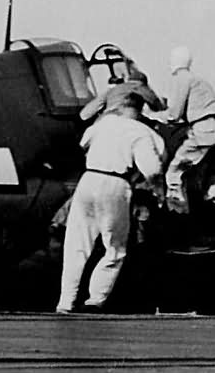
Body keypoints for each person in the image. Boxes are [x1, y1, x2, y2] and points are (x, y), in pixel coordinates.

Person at [57, 92, 166, 314]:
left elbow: (83, 143)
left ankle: (65, 303)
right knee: (115, 248)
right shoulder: (142, 132)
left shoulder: (103, 123)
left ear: (121, 106)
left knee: (76, 246)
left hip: (88, 181)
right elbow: (153, 169)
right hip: (116, 184)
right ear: (140, 110)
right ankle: (95, 299)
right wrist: (158, 189)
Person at [162, 46, 215, 215]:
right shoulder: (200, 81)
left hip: (206, 132)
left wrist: (151, 114)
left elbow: (174, 115)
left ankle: (178, 212)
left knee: (175, 172)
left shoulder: (182, 79)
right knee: (213, 174)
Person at [80, 52, 165, 121]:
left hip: (105, 120)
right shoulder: (143, 89)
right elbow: (160, 108)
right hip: (130, 121)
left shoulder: (112, 90)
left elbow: (84, 115)